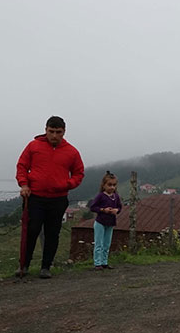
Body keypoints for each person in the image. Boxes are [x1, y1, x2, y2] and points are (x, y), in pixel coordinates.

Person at [15, 116, 85, 278]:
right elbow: (22, 166)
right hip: (35, 197)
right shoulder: (33, 146)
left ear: (64, 132)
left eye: (58, 132)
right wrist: (24, 185)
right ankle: (23, 266)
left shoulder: (72, 152)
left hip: (58, 199)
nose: (54, 135)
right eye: (51, 131)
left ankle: (46, 267)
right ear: (45, 129)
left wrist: (67, 184)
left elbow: (78, 173)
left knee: (52, 233)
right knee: (31, 230)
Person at [88, 171, 122, 271]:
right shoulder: (100, 196)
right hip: (100, 222)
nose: (112, 187)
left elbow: (119, 207)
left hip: (110, 222)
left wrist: (117, 210)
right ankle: (97, 263)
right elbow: (93, 207)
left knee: (107, 244)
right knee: (99, 243)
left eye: (114, 185)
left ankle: (104, 262)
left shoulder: (116, 196)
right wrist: (103, 210)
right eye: (109, 185)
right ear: (104, 185)